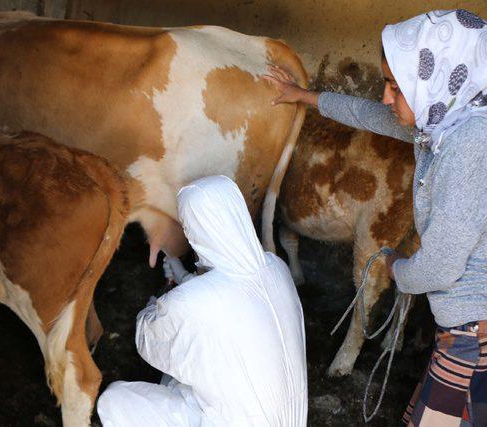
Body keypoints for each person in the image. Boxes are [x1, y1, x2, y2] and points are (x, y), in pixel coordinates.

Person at [264, 9, 487, 426]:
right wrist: (305, 97)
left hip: (473, 336)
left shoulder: (468, 146)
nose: (385, 96)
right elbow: (372, 116)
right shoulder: (444, 125)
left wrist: (393, 265)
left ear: (435, 79)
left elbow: (438, 269)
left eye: (395, 86)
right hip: (463, 327)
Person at [97, 175, 307, 426]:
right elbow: (229, 296)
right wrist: (184, 276)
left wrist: (159, 301)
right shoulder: (276, 267)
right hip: (291, 419)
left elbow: (148, 340)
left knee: (114, 399)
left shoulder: (193, 301)